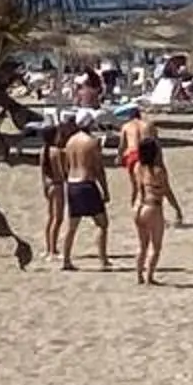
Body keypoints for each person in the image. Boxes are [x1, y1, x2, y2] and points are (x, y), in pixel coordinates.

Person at [59, 116, 110, 271]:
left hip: (72, 184)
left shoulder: (70, 142)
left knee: (72, 226)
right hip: (87, 183)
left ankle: (66, 260)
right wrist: (105, 190)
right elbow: (98, 168)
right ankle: (103, 260)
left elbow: (65, 167)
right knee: (102, 224)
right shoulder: (91, 142)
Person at [131, 148, 180, 284]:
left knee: (142, 245)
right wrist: (176, 208)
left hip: (139, 207)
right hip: (153, 207)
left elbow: (137, 188)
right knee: (156, 246)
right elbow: (167, 191)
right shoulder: (159, 171)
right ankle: (149, 277)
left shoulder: (138, 167)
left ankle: (139, 275)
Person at [37, 123, 68, 261]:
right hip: (57, 185)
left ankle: (48, 248)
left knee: (50, 217)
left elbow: (43, 172)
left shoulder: (43, 150)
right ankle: (52, 250)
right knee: (58, 218)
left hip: (48, 185)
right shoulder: (57, 152)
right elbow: (61, 172)